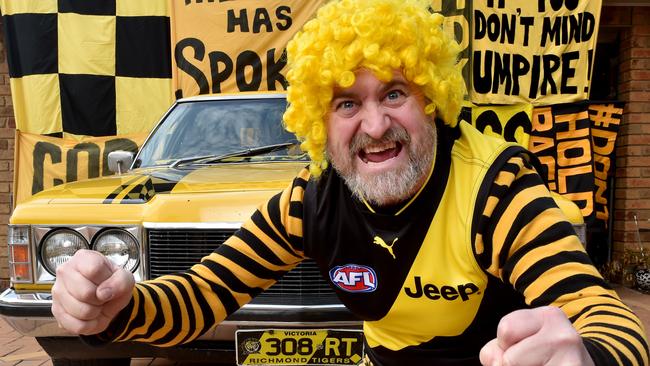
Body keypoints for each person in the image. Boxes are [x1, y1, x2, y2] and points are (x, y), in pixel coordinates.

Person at [52, 0, 649, 365]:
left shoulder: (497, 189)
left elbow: (605, 314)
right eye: (346, 103)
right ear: (321, 124)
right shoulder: (310, 201)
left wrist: (588, 356)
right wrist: (115, 310)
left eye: (394, 93)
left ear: (433, 100)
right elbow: (200, 296)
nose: (375, 125)